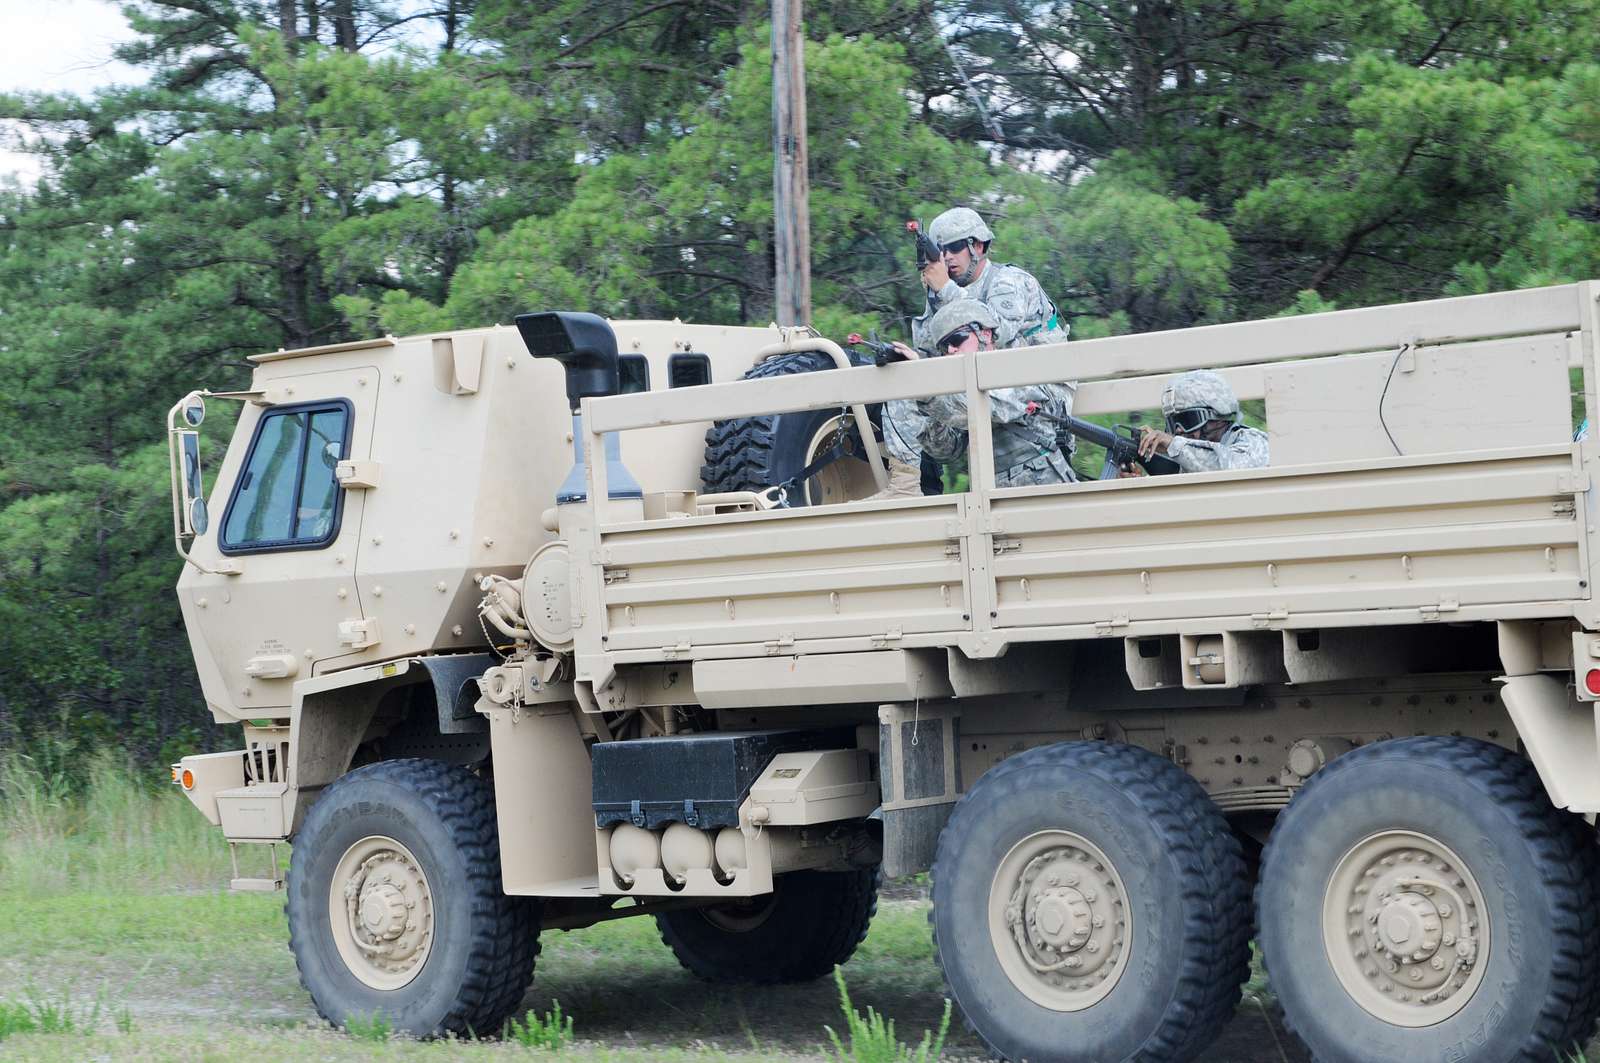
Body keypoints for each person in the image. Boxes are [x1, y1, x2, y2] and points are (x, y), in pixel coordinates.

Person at [892, 299, 1075, 488]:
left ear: (985, 334)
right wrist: (925, 402)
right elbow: (946, 450)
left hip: (1044, 484)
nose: (950, 350)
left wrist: (929, 387)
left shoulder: (1018, 367)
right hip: (990, 491)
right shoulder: (957, 395)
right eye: (943, 347)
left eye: (956, 339)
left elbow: (992, 407)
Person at [910, 207, 1068, 354]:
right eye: (941, 250)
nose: (947, 256)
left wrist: (946, 289)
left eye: (955, 246)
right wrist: (936, 299)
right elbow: (932, 350)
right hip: (999, 377)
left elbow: (997, 334)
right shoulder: (949, 291)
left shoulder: (1008, 280)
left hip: (1045, 374)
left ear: (978, 246)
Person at [1134, 369, 1269, 473]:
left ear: (1217, 418)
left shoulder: (1254, 441)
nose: (1179, 430)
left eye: (1187, 420)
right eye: (1173, 423)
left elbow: (1232, 467)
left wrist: (1174, 445)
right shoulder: (1188, 458)